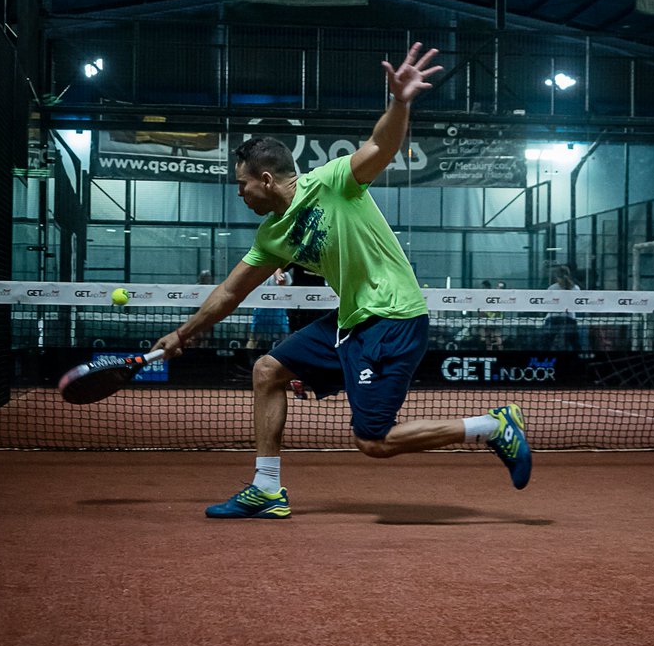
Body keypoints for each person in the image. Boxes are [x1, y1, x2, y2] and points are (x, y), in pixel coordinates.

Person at [152, 43, 532, 518]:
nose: (239, 193)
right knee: (268, 371)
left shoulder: (333, 182)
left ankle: (493, 426)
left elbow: (382, 146)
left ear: (266, 179)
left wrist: (400, 102)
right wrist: (183, 334)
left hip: (393, 317)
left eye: (241, 184)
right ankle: (267, 489)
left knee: (373, 441)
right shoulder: (273, 235)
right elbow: (231, 291)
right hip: (353, 321)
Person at [544, 264, 581, 352]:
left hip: (556, 319)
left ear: (556, 277)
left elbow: (546, 304)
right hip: (568, 318)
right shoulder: (576, 288)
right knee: (574, 342)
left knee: (547, 343)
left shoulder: (552, 288)